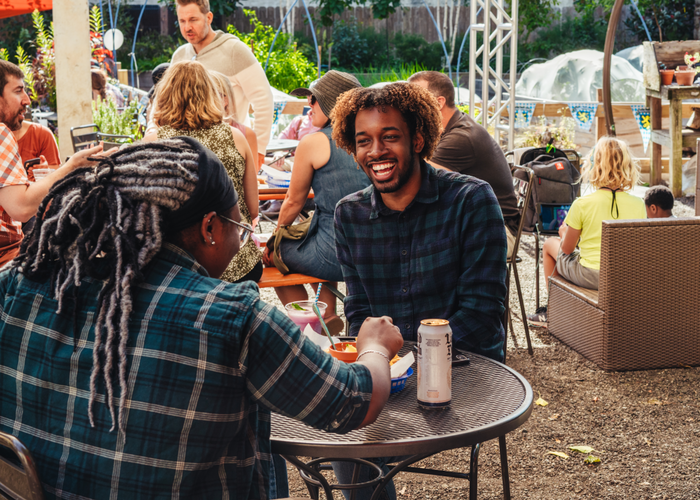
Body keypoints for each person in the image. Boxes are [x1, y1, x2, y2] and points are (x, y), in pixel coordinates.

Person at [0, 138, 404, 499]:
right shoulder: (234, 317)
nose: (238, 240)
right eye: (238, 229)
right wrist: (374, 347)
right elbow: (354, 404)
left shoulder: (17, 283)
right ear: (210, 227)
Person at [330, 82, 507, 500]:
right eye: (364, 141)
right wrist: (381, 364)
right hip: (390, 373)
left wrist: (405, 359)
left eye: (390, 136)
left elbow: (482, 316)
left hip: (467, 369)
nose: (376, 151)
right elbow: (358, 311)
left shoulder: (471, 201)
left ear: (419, 139)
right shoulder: (349, 215)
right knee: (342, 420)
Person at [262, 70, 371, 334]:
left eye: (312, 99)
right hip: (376, 252)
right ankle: (327, 310)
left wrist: (273, 241)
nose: (308, 106)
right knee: (319, 232)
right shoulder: (374, 137)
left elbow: (292, 202)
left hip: (334, 256)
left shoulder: (313, 142)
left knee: (275, 255)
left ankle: (313, 320)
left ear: (331, 103)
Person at [146, 60, 262, 283]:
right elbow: (254, 209)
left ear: (165, 95)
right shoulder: (236, 137)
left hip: (177, 269)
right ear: (210, 94)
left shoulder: (154, 142)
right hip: (238, 262)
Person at [527, 137, 646, 327]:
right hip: (624, 277)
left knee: (550, 245)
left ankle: (554, 311)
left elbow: (566, 250)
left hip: (591, 275)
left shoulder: (583, 204)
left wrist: (564, 233)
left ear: (595, 167)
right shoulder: (639, 204)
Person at [0, 60, 105, 265]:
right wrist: (73, 165)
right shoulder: (2, 134)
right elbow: (21, 208)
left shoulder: (40, 134)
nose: (27, 100)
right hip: (8, 257)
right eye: (18, 90)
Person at [407, 71, 520, 257]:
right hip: (473, 221)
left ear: (438, 102)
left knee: (415, 244)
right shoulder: (447, 128)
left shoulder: (462, 136)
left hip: (498, 230)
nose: (407, 106)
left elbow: (417, 180)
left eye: (414, 98)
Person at [172, 0, 273, 163]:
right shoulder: (179, 56)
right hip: (187, 160)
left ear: (209, 17)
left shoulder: (235, 51)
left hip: (230, 159)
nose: (187, 27)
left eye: (193, 20)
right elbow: (164, 106)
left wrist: (259, 152)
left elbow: (264, 101)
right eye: (182, 21)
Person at [209, 69, 259, 159]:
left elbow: (253, 172)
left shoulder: (247, 134)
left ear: (225, 100)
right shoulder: (192, 131)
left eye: (209, 95)